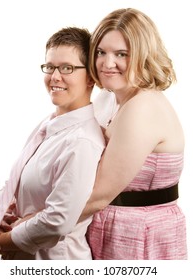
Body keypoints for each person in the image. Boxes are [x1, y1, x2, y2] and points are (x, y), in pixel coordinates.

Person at [0, 27, 105, 260]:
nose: (55, 77)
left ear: (90, 76)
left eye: (67, 68)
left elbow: (58, 220)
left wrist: (2, 241)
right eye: (50, 67)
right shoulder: (48, 124)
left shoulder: (82, 142)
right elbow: (17, 177)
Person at [80, 8, 188, 260]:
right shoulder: (108, 98)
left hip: (139, 237)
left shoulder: (143, 107)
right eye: (100, 52)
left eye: (121, 54)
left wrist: (31, 224)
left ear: (143, 55)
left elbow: (98, 194)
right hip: (108, 229)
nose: (107, 63)